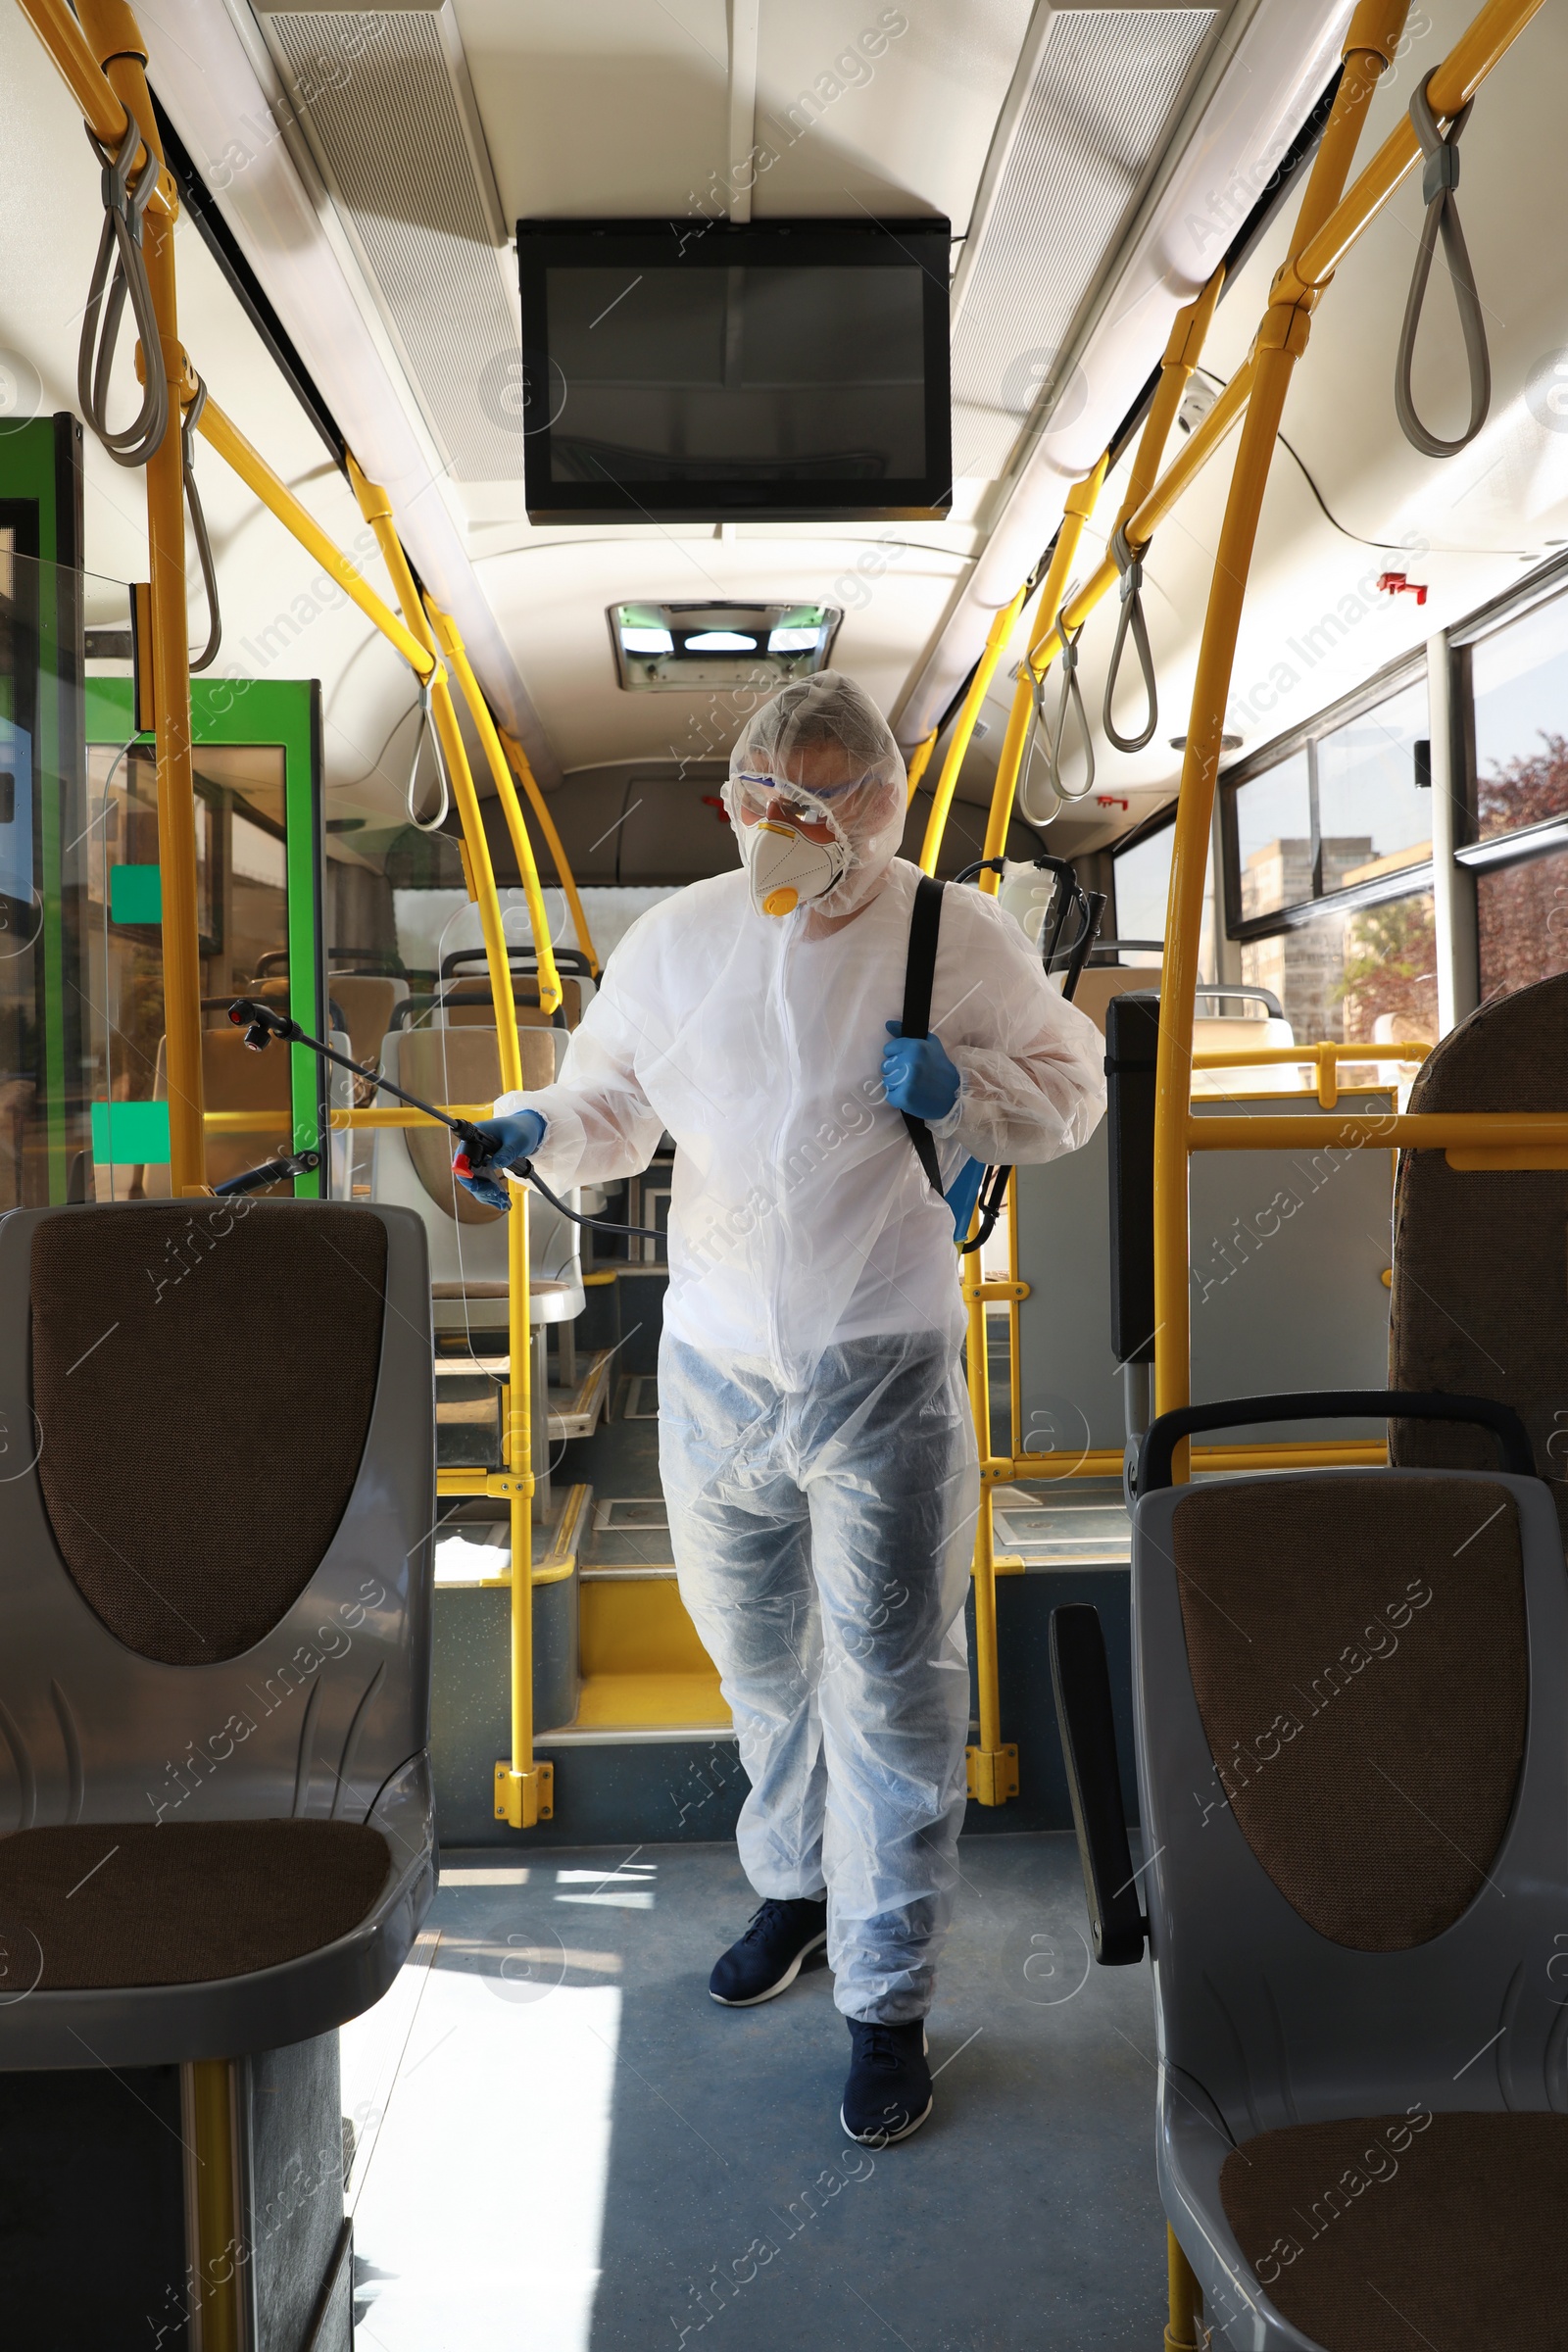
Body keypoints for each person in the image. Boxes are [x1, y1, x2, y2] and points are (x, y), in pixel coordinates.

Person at [456, 671, 1104, 2144]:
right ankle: (798, 1893)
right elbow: (613, 1100)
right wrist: (527, 1124)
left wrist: (970, 1085)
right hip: (716, 1366)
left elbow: (1072, 1094)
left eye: (811, 806)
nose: (778, 829)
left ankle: (889, 1998)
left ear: (875, 808)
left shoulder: (952, 932)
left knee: (889, 1685)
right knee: (755, 1659)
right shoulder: (681, 940)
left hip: (880, 1365)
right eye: (758, 802)